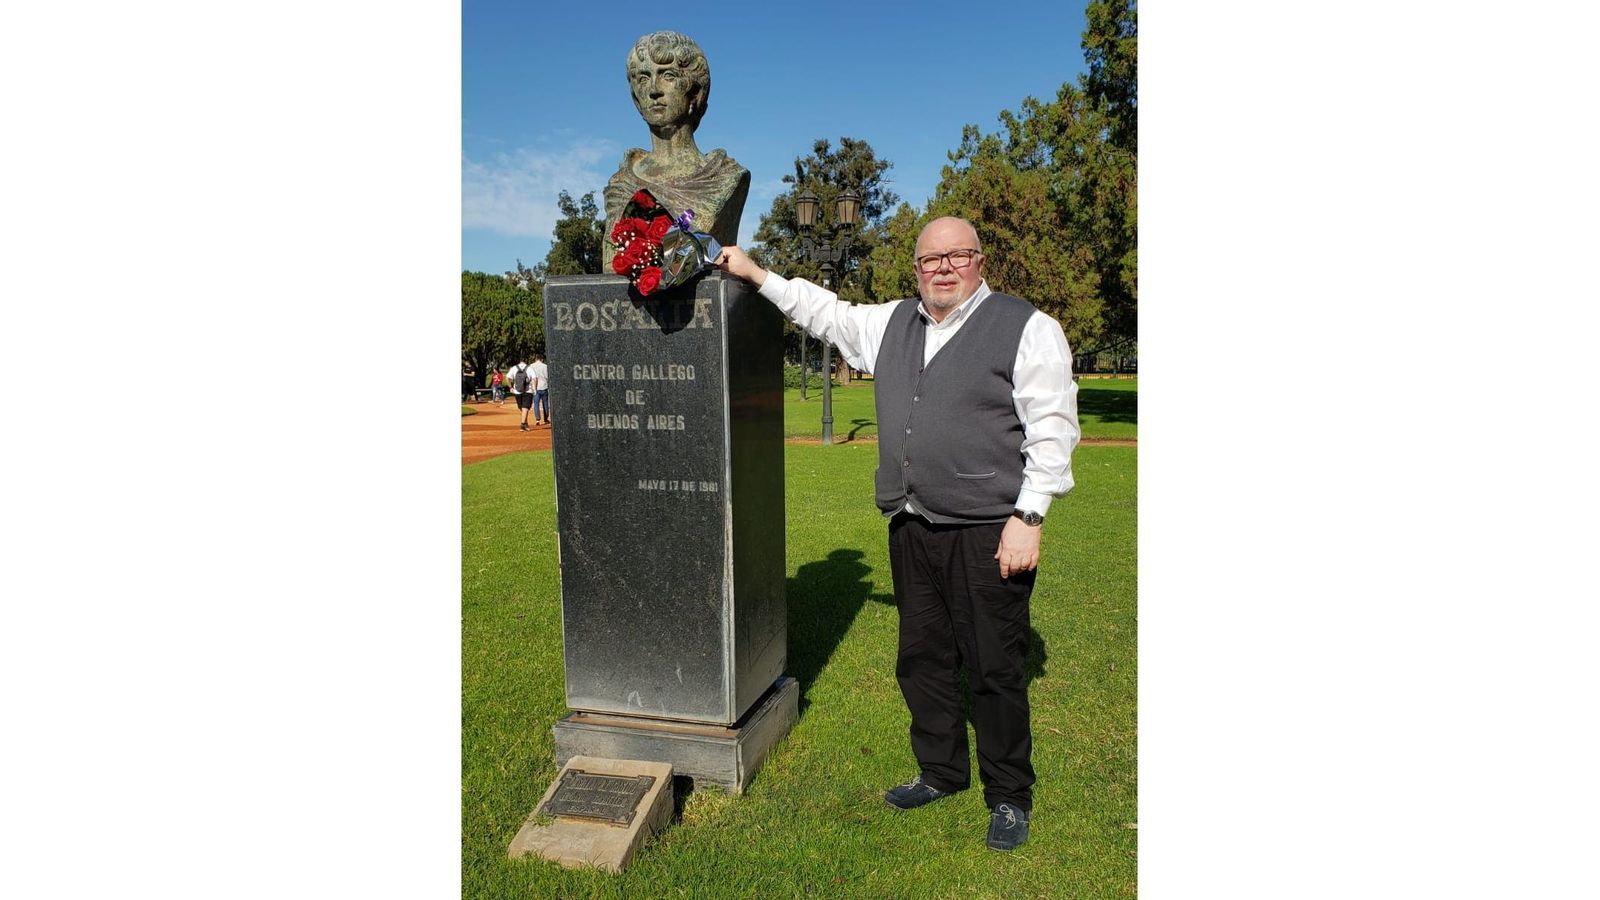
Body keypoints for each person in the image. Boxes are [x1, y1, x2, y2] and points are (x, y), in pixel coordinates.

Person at [715, 217, 1080, 852]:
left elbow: (1052, 428)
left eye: (957, 256)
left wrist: (1028, 518)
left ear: (979, 260)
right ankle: (941, 771)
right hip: (912, 523)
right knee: (923, 657)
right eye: (930, 259)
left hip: (989, 527)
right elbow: (823, 312)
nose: (944, 268)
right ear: (916, 268)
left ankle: (1009, 794)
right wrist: (756, 273)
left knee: (994, 665)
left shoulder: (1028, 327)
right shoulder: (891, 323)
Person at [601, 31, 749, 269]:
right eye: (643, 78)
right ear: (636, 98)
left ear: (694, 93)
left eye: (668, 75)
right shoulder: (622, 184)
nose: (653, 89)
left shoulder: (723, 178)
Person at [507, 358, 535, 432]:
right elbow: (534, 378)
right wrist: (534, 388)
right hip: (528, 390)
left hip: (517, 390)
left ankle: (525, 423)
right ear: (526, 361)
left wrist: (510, 387)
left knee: (522, 408)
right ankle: (523, 424)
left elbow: (508, 378)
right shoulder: (529, 368)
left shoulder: (514, 368)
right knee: (525, 407)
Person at [529, 356, 551, 426]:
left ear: (535, 359)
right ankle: (546, 419)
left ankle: (537, 419)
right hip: (544, 386)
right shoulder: (545, 366)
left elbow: (530, 377)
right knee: (545, 403)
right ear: (541, 359)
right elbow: (548, 377)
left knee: (536, 404)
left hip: (535, 387)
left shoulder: (531, 366)